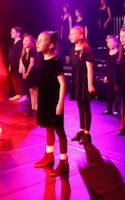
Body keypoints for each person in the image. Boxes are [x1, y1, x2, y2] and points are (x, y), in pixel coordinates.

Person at [34, 31, 69, 177]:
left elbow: (62, 83)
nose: (37, 42)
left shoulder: (56, 62)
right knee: (48, 127)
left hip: (54, 101)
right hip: (45, 101)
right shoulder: (42, 61)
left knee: (58, 130)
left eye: (41, 40)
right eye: (38, 39)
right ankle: (49, 155)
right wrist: (37, 101)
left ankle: (63, 161)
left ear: (51, 45)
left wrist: (60, 103)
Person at [69, 26, 96, 145]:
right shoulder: (73, 50)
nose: (71, 36)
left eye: (74, 34)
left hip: (84, 81)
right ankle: (81, 130)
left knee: (85, 107)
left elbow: (90, 69)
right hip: (76, 82)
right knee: (79, 106)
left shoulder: (86, 50)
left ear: (80, 36)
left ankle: (87, 132)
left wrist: (90, 85)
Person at [102, 35, 121, 116]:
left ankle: (116, 109)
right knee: (109, 92)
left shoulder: (119, 53)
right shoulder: (107, 53)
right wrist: (106, 76)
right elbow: (107, 66)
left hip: (117, 75)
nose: (109, 44)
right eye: (108, 42)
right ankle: (108, 108)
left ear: (116, 43)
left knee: (117, 93)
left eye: (111, 42)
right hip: (109, 74)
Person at [19, 34, 39, 111]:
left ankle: (36, 105)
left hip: (33, 73)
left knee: (34, 90)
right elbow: (24, 64)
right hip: (28, 74)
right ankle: (33, 106)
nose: (25, 42)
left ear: (31, 42)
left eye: (27, 40)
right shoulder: (24, 52)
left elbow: (32, 64)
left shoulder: (32, 51)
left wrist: (27, 73)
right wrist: (24, 73)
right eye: (24, 40)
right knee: (31, 90)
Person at [8, 26, 27, 102]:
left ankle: (24, 95)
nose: (11, 33)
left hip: (17, 65)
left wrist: (21, 65)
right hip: (12, 64)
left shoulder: (20, 43)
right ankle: (18, 93)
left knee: (19, 80)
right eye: (11, 32)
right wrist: (10, 64)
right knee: (14, 79)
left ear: (18, 33)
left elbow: (21, 55)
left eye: (13, 32)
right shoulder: (13, 43)